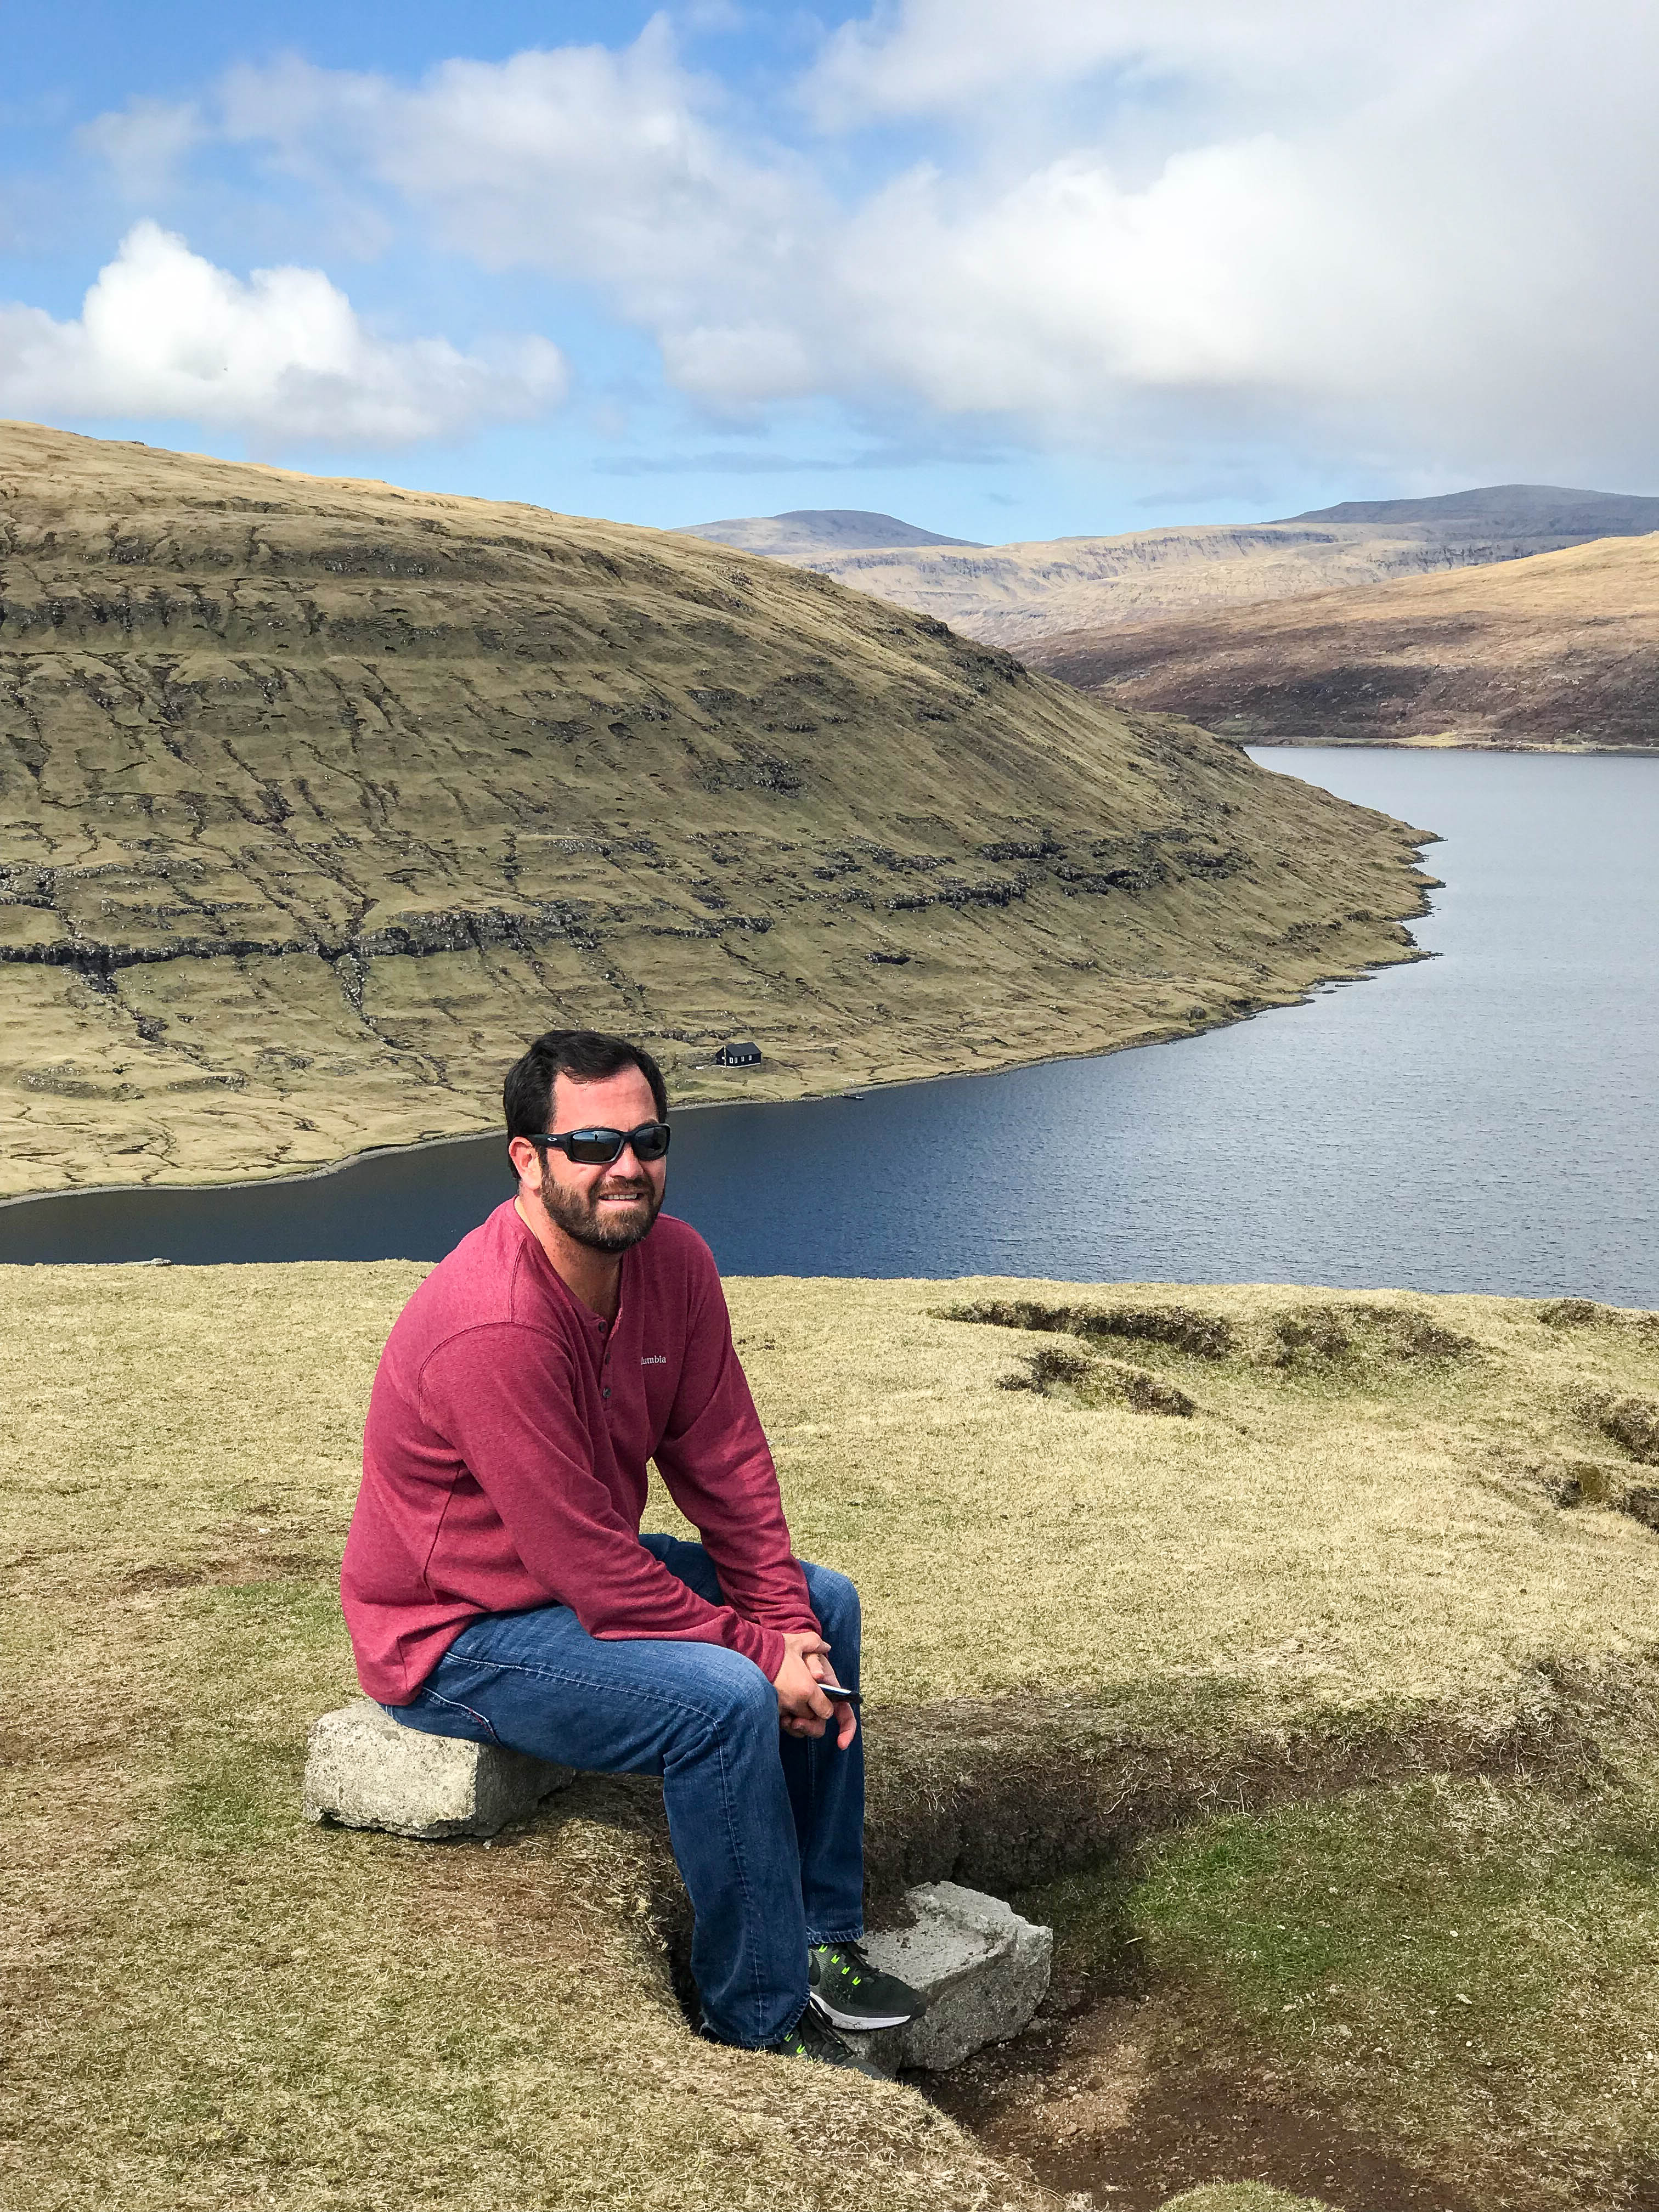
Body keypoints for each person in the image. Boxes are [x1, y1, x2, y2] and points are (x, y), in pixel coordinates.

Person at [340, 1028, 924, 2070]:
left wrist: (786, 1625)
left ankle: (823, 1936)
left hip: (575, 1583)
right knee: (721, 1701)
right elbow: (588, 1569)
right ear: (528, 1158)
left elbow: (728, 1467)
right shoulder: (496, 1328)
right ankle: (755, 2018)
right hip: (460, 1631)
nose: (627, 1167)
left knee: (826, 1603)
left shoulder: (677, 1263)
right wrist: (755, 1656)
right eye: (593, 1144)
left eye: (648, 1139)